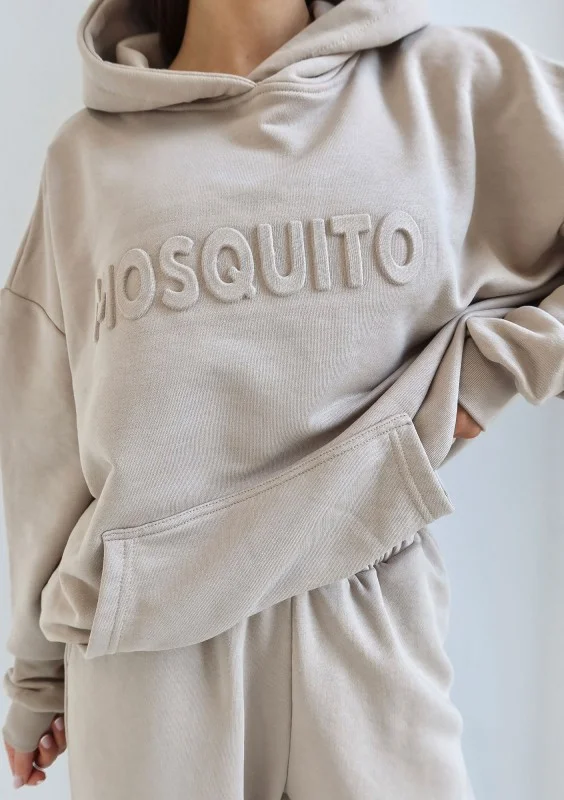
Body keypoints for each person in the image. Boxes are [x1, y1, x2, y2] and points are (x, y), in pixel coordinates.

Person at [1, 0, 563, 796]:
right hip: (148, 666)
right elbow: (41, 429)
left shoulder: (443, 87)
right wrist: (36, 679)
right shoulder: (87, 161)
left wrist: (490, 375)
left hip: (369, 622)